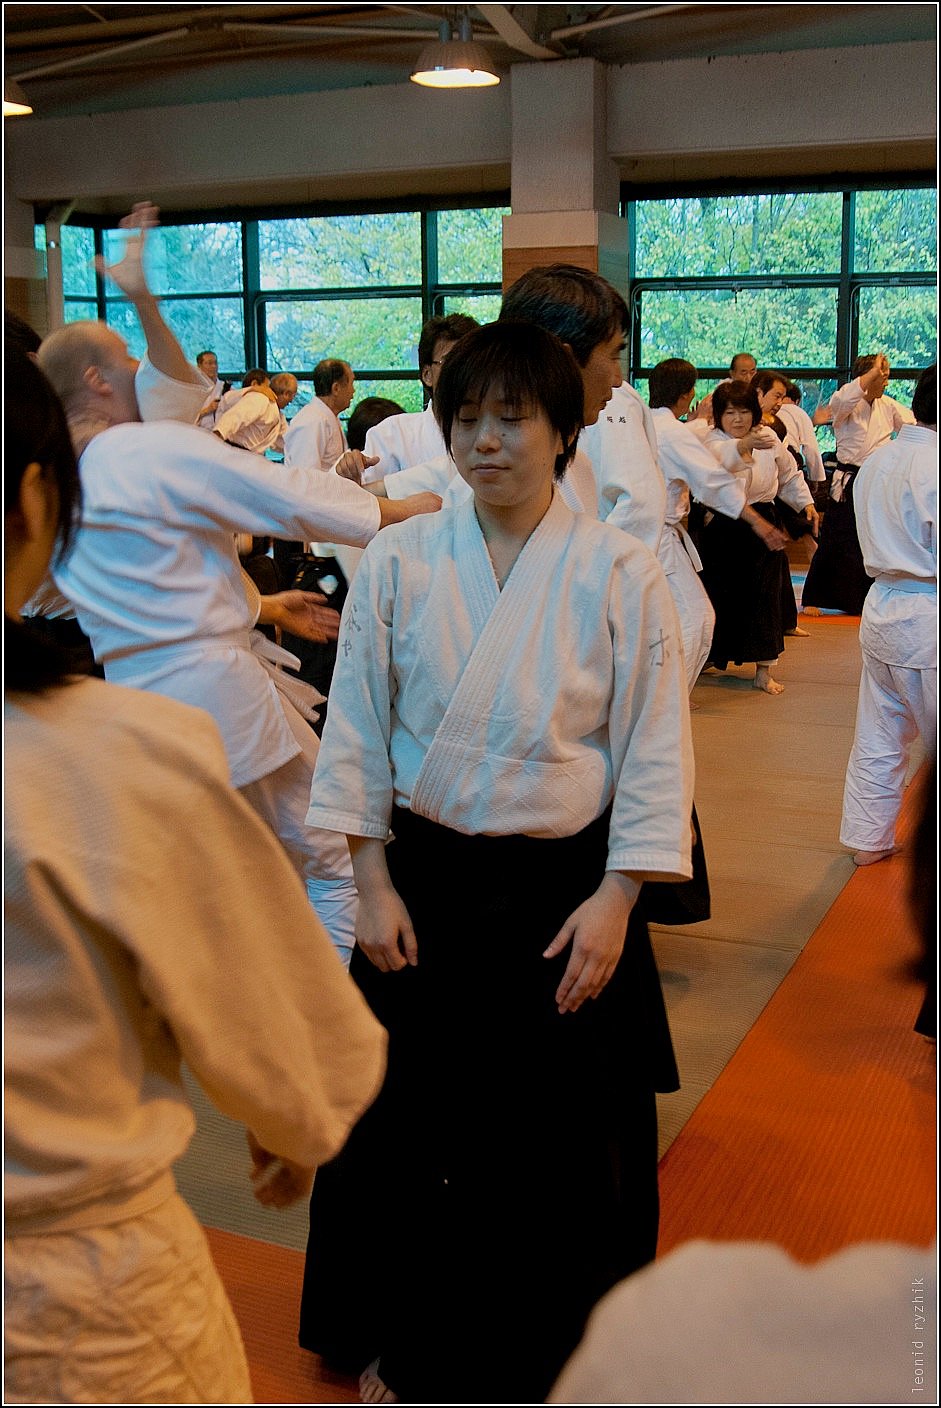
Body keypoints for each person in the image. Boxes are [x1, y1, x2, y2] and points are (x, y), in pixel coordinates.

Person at [298, 322, 693, 1406]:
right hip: (422, 879)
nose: (484, 440)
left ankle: (548, 1346)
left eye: (511, 419)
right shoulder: (401, 559)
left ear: (564, 431)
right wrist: (369, 880)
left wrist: (618, 896)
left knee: (551, 1138)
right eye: (465, 418)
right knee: (407, 1124)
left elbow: (653, 746)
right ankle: (399, 1329)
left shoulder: (618, 568)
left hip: (563, 893)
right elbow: (356, 726)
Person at [4, 344, 387, 1405]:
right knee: (323, 855)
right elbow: (278, 1026)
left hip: (193, 664)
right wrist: (292, 1113)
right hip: (78, 1294)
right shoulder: (107, 754)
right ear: (35, 502)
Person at [37, 208, 440, 966]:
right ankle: (325, 1012)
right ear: (96, 380)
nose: (143, 367)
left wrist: (143, 299)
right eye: (126, 358)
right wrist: (395, 511)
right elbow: (277, 492)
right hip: (212, 690)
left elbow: (172, 396)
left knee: (237, 872)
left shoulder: (62, 480)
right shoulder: (136, 453)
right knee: (333, 855)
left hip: (143, 697)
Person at [840, 363, 936, 866]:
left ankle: (868, 839)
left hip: (881, 610)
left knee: (879, 734)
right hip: (928, 616)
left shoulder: (877, 460)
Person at [648, 358, 784, 690]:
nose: (737, 418)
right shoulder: (677, 432)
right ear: (688, 394)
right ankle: (670, 692)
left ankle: (665, 689)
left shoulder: (639, 423)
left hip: (642, 531)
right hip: (666, 532)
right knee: (696, 615)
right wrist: (757, 522)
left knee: (667, 613)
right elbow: (713, 475)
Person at [700, 380, 815, 694]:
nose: (737, 419)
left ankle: (764, 670)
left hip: (764, 519)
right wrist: (743, 445)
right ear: (719, 415)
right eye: (730, 413)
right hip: (724, 523)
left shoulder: (769, 437)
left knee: (765, 597)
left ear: (754, 412)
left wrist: (805, 502)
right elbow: (720, 458)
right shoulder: (712, 439)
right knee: (718, 594)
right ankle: (711, 656)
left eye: (743, 412)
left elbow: (789, 473)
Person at [803, 353, 915, 615]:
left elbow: (914, 427)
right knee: (837, 537)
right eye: (882, 377)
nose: (886, 383)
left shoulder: (888, 405)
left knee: (873, 537)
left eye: (886, 377)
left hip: (877, 479)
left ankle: (862, 599)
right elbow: (844, 398)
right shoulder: (844, 405)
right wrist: (873, 372)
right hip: (848, 481)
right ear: (867, 378)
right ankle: (815, 596)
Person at [361, 312, 479, 481]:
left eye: (471, 362)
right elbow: (364, 494)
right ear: (427, 375)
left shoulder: (493, 437)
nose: (463, 372)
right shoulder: (392, 435)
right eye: (450, 362)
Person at [283, 358, 356, 473]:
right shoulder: (311, 421)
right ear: (336, 388)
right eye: (351, 384)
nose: (353, 391)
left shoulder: (326, 416)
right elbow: (305, 477)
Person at [214, 371, 297, 454]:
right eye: (293, 396)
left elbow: (287, 440)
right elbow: (235, 417)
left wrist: (298, 451)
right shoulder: (260, 399)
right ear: (287, 394)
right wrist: (215, 440)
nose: (291, 401)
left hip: (250, 455)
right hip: (233, 450)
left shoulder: (278, 415)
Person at [195, 348, 230, 429]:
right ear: (199, 366)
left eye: (215, 363)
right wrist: (207, 410)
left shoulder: (227, 388)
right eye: (209, 363)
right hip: (200, 432)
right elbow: (188, 417)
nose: (214, 366)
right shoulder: (194, 390)